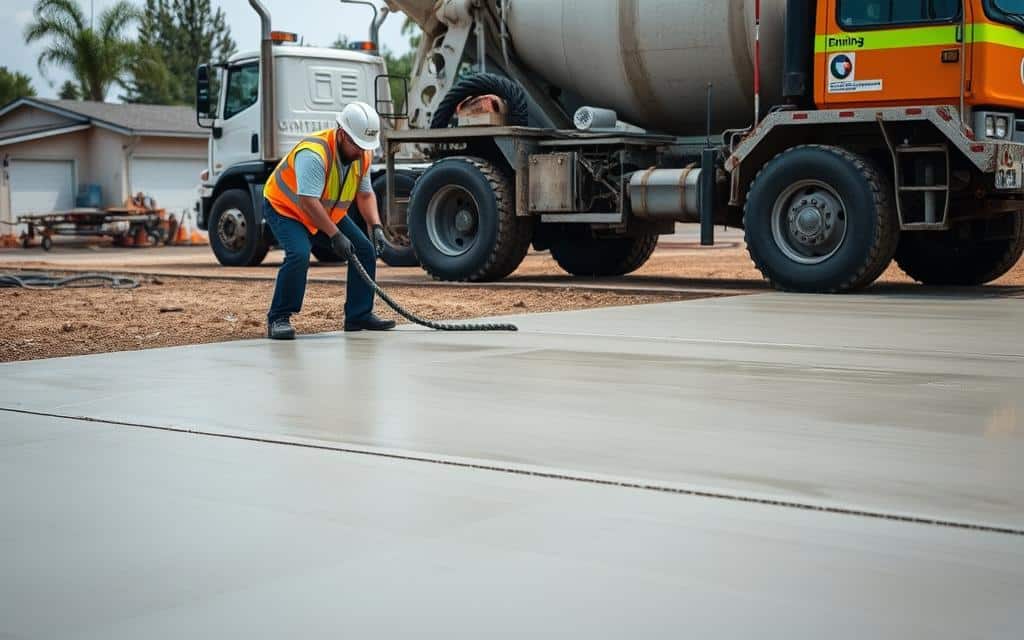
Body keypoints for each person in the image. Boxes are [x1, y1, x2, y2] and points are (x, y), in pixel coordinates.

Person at [262, 102, 396, 340]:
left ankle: (358, 315)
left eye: (365, 146)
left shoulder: (362, 154)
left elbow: (365, 194)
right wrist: (335, 236)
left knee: (364, 249)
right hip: (287, 209)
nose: (361, 151)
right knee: (299, 253)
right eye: (357, 144)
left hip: (324, 211)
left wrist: (375, 226)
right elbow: (307, 202)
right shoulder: (314, 154)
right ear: (343, 134)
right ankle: (279, 317)